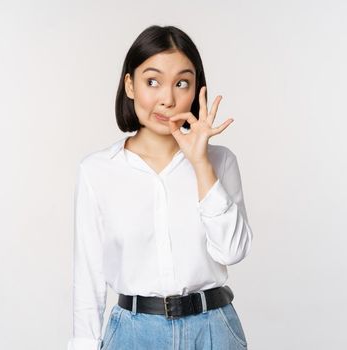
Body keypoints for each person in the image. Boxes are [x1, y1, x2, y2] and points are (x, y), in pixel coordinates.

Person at [68, 25, 254, 350]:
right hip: (133, 334)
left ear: (197, 90)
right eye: (152, 81)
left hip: (213, 331)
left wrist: (200, 163)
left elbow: (232, 251)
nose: (167, 99)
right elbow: (89, 274)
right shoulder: (98, 171)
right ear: (129, 85)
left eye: (181, 83)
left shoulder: (219, 162)